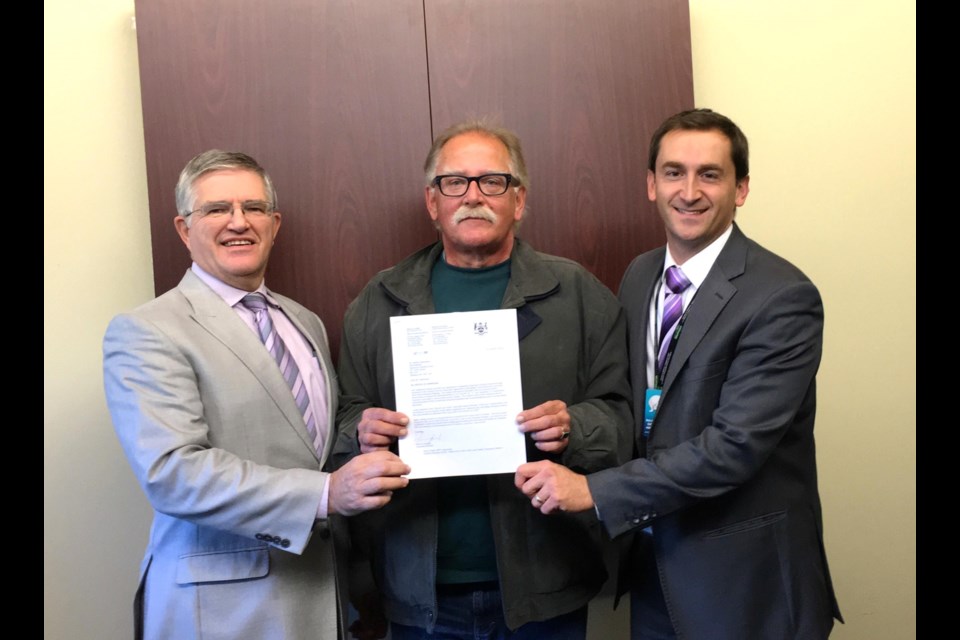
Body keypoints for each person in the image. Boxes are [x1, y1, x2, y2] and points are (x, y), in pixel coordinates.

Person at [515, 109, 843, 639]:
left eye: (709, 174)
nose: (689, 191)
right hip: (654, 572)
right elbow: (640, 402)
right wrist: (574, 424)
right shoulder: (641, 275)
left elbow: (733, 448)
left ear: (741, 189)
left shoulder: (783, 297)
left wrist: (595, 491)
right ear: (651, 184)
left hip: (743, 586)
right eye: (673, 172)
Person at [333, 120, 632, 639]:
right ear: (432, 202)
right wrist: (361, 434)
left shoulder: (578, 294)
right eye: (455, 182)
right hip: (418, 588)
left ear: (519, 200)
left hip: (545, 583)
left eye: (493, 181)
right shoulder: (379, 301)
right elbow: (339, 425)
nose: (473, 196)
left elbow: (623, 419)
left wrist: (573, 427)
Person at [103, 149, 411, 640]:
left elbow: (309, 444)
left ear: (275, 223)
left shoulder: (303, 321)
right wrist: (326, 494)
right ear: (184, 228)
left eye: (253, 208)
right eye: (217, 209)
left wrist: (361, 437)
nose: (238, 222)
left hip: (326, 593)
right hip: (223, 608)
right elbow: (172, 473)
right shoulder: (147, 330)